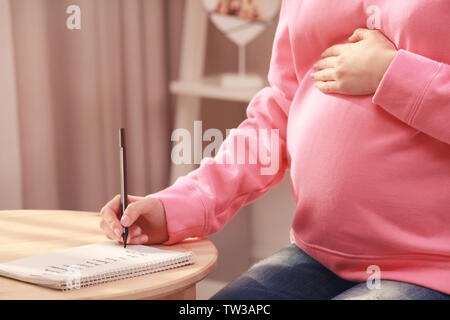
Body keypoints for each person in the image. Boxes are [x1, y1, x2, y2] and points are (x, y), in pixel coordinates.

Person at [100, 0, 450, 300]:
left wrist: (391, 74)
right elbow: (281, 109)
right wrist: (176, 207)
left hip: (432, 268)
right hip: (317, 256)